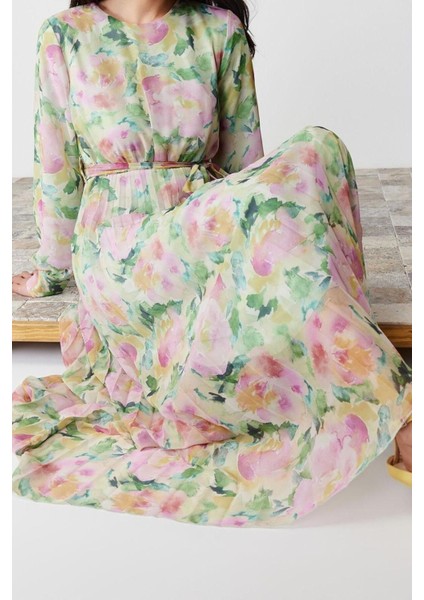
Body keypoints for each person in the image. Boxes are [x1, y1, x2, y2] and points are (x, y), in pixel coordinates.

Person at [12, 0, 412, 528]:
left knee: (319, 148)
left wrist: (258, 245)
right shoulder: (64, 35)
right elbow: (56, 169)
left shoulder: (219, 30)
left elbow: (253, 171)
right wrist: (50, 271)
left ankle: (378, 391)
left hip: (202, 228)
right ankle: (405, 410)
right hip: (119, 247)